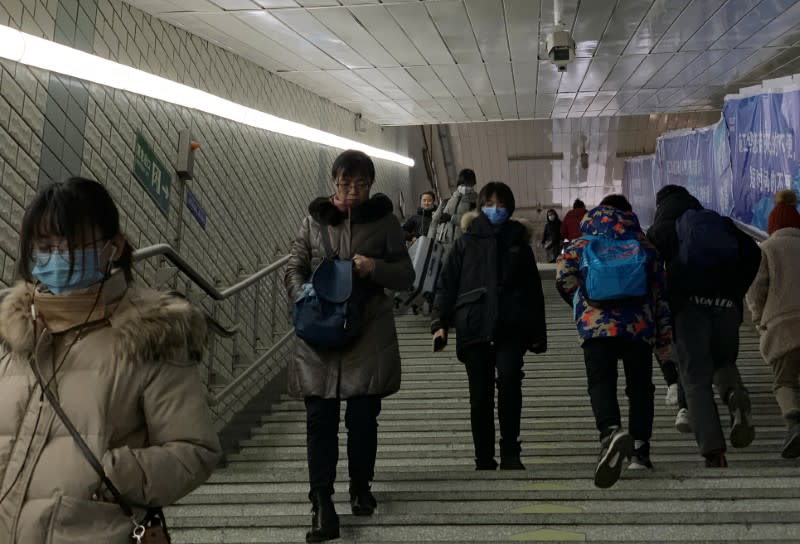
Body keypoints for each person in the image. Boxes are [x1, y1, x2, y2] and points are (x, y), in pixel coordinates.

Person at [0, 177, 222, 543]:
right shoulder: (16, 337)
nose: (57, 256)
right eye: (45, 246)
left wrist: (110, 472)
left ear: (113, 247)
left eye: (71, 244)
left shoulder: (149, 337)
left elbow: (194, 450)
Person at [285, 150, 414, 543]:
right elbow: (294, 265)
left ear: (371, 185)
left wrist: (374, 268)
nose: (352, 192)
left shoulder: (386, 222)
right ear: (333, 183)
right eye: (345, 184)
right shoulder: (314, 221)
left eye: (360, 184)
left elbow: (407, 275)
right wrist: (303, 293)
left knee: (362, 418)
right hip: (320, 335)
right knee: (319, 421)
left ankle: (360, 485)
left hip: (367, 333)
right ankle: (322, 502)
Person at [556, 194, 672, 488]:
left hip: (597, 327)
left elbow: (564, 279)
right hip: (638, 326)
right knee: (641, 388)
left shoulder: (581, 244)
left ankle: (610, 431)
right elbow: (660, 292)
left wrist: (584, 305)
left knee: (601, 382)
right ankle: (641, 452)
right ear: (628, 212)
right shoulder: (645, 246)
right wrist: (664, 336)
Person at [431, 182, 547, 471]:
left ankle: (510, 451)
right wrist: (439, 324)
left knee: (509, 383)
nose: (496, 209)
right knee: (480, 395)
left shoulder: (519, 246)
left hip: (511, 326)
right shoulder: (464, 243)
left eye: (501, 204)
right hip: (474, 326)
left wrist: (537, 334)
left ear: (509, 207)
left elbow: (534, 292)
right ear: (480, 206)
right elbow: (446, 286)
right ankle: (483, 456)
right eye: (490, 204)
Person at [648, 184, 761, 468]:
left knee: (695, 378)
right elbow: (753, 253)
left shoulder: (661, 231)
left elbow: (647, 272)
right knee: (723, 361)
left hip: (688, 311)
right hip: (726, 309)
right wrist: (735, 293)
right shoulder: (717, 222)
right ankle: (734, 395)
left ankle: (714, 452)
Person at [746, 189, 800, 458]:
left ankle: (794, 424)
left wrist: (758, 320)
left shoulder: (767, 249)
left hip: (781, 327)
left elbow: (757, 290)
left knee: (784, 382)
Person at [438, 168, 478, 244]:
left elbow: (474, 223)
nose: (465, 186)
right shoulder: (449, 200)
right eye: (463, 183)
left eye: (469, 183)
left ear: (473, 184)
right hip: (444, 242)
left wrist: (452, 218)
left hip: (463, 244)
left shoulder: (476, 202)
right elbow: (436, 222)